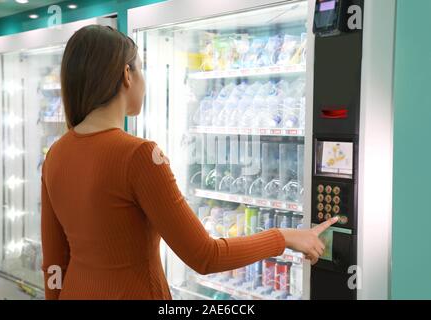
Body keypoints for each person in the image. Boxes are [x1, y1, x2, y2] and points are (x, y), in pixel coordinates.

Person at [41, 25, 337, 300]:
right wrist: (283, 236)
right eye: (141, 68)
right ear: (126, 75)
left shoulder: (56, 154)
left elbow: (54, 264)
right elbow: (205, 256)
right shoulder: (139, 156)